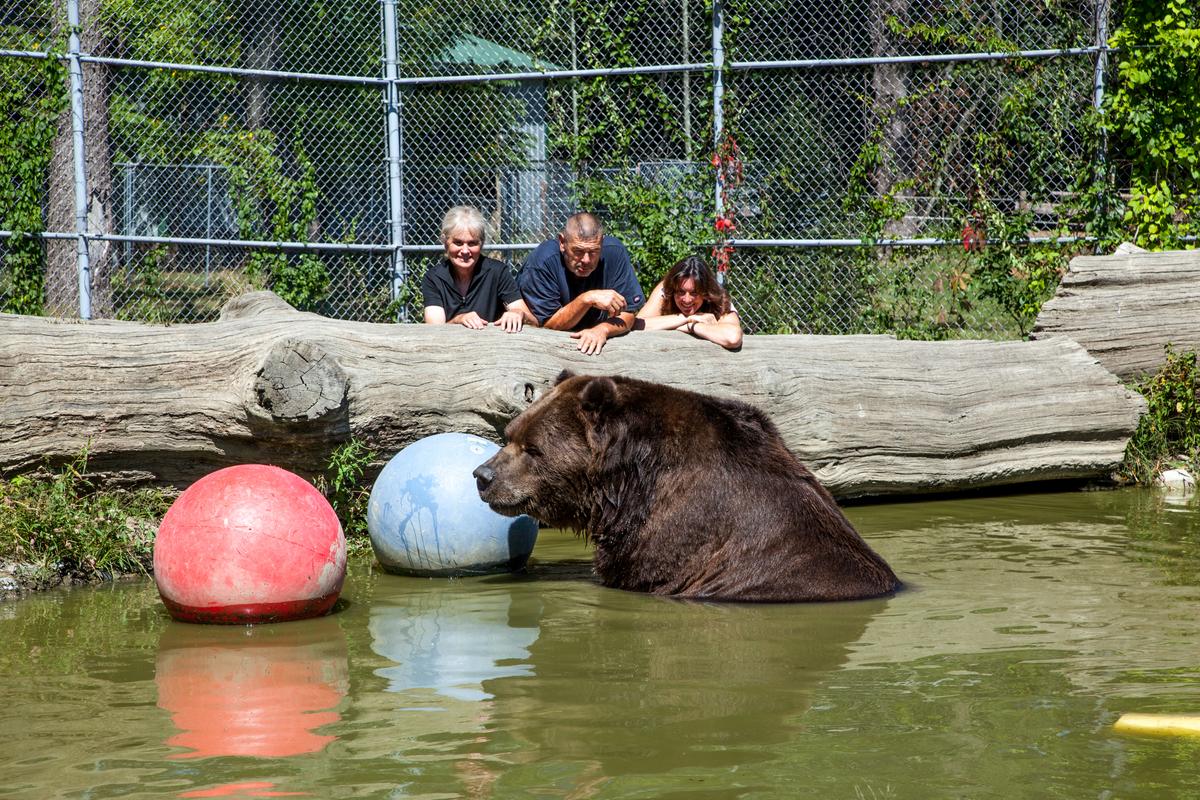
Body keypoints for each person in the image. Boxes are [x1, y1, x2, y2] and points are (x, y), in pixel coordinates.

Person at [517, 212, 644, 355]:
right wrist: (587, 299)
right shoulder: (543, 261)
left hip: (599, 345)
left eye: (594, 251)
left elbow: (629, 313)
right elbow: (548, 325)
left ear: (602, 242)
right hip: (545, 348)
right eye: (578, 251)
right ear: (562, 242)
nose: (586, 260)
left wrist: (602, 330)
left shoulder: (615, 252)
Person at [422, 205, 536, 332]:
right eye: (458, 243)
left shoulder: (497, 272)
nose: (465, 251)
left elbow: (533, 321)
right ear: (445, 242)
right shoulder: (433, 278)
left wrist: (518, 314)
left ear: (481, 244)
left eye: (472, 243)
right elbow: (434, 330)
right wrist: (458, 320)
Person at [636, 255, 743, 350]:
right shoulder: (665, 290)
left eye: (694, 293)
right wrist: (687, 318)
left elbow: (732, 338)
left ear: (706, 292)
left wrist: (691, 326)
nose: (687, 300)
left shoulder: (718, 298)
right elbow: (637, 325)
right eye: (680, 292)